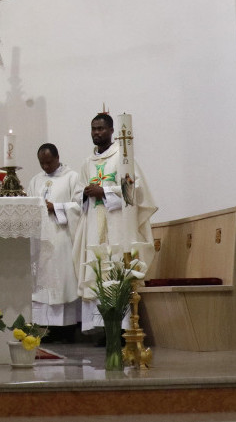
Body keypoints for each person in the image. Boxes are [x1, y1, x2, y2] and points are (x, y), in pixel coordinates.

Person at [73, 113, 157, 332]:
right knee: (96, 270)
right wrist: (84, 193)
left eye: (101, 128)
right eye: (93, 129)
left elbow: (134, 192)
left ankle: (121, 327)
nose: (96, 133)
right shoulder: (87, 163)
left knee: (117, 268)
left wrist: (105, 191)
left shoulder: (124, 158)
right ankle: (100, 329)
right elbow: (76, 194)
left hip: (117, 224)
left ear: (112, 131)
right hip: (94, 224)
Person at [27, 143, 83, 336]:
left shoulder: (72, 177)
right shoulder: (35, 180)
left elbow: (79, 206)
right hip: (42, 237)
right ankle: (45, 328)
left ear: (58, 158)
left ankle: (66, 329)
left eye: (49, 163)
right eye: (42, 163)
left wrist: (57, 207)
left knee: (62, 281)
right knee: (42, 284)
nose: (46, 167)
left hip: (62, 235)